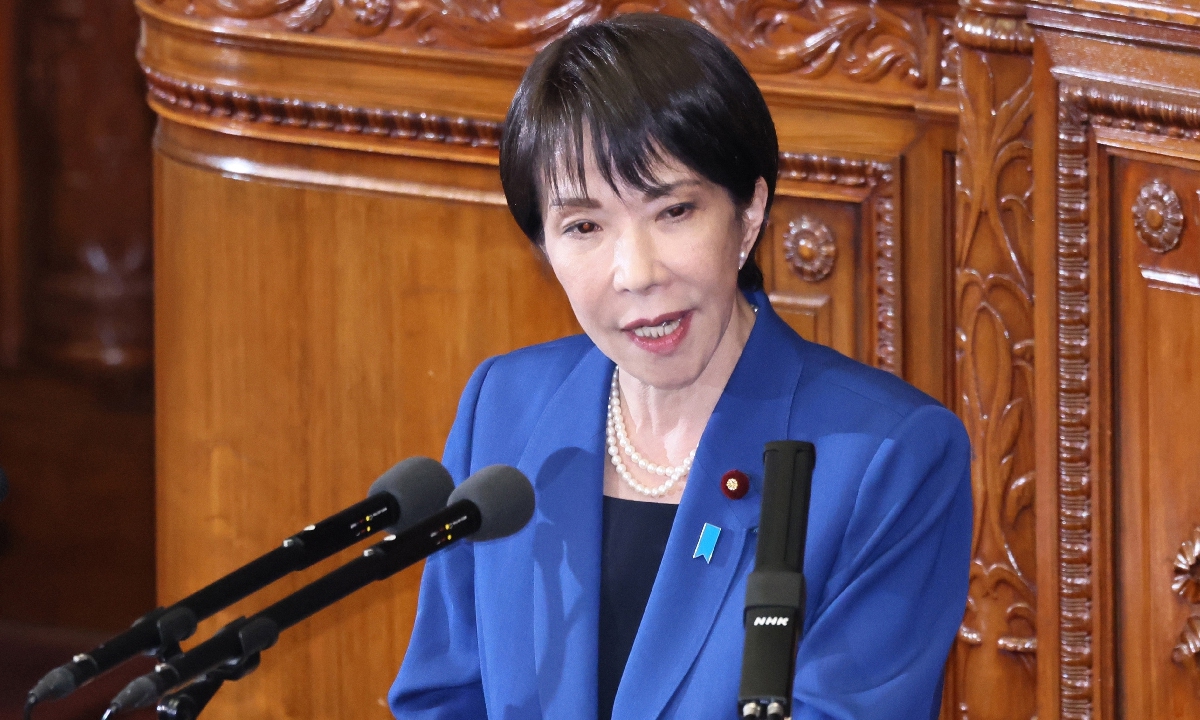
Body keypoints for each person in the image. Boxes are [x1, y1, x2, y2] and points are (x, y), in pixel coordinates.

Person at [388, 13, 971, 720]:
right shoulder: (504, 407)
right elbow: (442, 698)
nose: (635, 274)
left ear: (747, 214)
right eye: (584, 227)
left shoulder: (887, 457)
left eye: (673, 212)